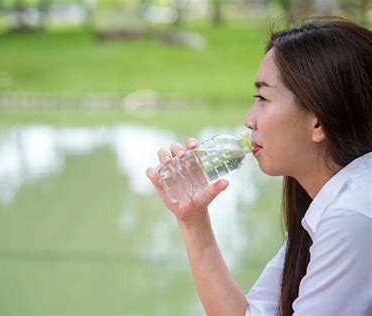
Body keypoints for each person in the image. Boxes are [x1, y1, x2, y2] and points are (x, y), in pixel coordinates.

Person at [146, 17, 371, 316]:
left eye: (262, 98)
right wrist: (193, 222)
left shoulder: (352, 217)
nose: (249, 120)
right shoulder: (328, 207)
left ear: (317, 122)